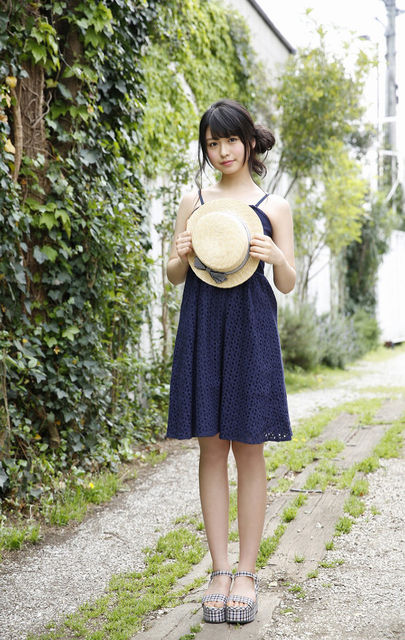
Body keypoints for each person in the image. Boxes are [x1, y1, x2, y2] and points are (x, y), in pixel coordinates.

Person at [165, 99, 295, 624]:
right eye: (212, 143)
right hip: (202, 323)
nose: (222, 152)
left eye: (230, 141)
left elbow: (287, 283)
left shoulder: (274, 206)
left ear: (249, 141)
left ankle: (246, 573)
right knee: (211, 448)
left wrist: (277, 257)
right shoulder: (193, 200)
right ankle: (219, 571)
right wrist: (180, 254)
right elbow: (174, 274)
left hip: (252, 327)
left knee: (249, 448)